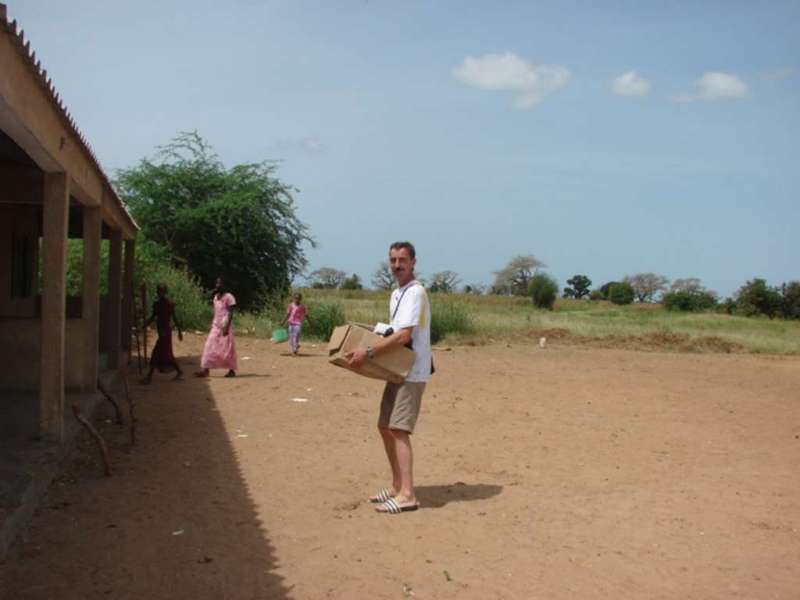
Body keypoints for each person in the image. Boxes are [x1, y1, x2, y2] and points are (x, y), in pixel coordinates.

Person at [347, 241, 432, 514]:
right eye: (393, 260)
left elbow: (404, 335)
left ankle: (408, 495)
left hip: (413, 370)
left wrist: (369, 351)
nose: (397, 265)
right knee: (384, 426)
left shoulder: (416, 292)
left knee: (398, 429)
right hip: (396, 369)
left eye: (402, 260)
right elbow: (393, 330)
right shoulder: (397, 293)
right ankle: (396, 486)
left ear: (414, 262)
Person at [195, 277, 238, 378]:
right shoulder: (215, 297)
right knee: (209, 346)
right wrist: (211, 292)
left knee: (227, 348)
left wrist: (226, 327)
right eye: (217, 283)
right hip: (216, 326)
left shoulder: (229, 297)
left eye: (220, 283)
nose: (218, 285)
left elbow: (231, 313)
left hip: (225, 325)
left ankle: (231, 370)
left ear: (225, 285)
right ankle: (205, 369)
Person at [142, 283, 183, 384]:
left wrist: (179, 331)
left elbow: (175, 318)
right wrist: (144, 325)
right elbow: (152, 317)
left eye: (162, 291)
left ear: (165, 292)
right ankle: (179, 371)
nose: (160, 293)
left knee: (157, 354)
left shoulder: (169, 304)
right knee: (166, 354)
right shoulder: (157, 305)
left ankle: (149, 378)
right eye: (159, 291)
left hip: (166, 332)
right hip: (162, 332)